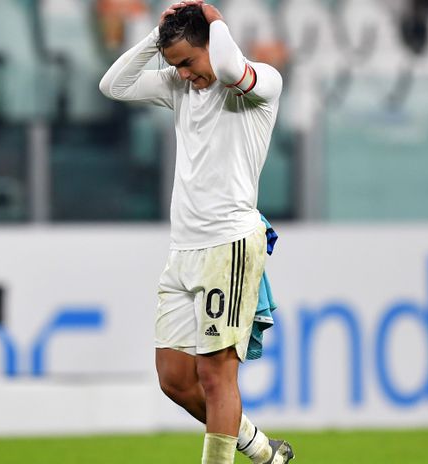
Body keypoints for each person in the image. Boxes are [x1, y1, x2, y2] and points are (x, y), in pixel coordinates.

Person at [99, 2, 293, 463]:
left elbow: (226, 66)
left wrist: (210, 12)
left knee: (215, 377)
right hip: (183, 249)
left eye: (189, 61)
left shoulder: (258, 83)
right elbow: (113, 85)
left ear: (213, 42)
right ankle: (264, 452)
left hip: (228, 244)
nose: (183, 74)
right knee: (174, 379)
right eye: (175, 66)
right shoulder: (182, 87)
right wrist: (158, 38)